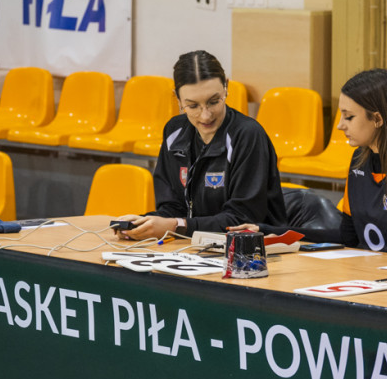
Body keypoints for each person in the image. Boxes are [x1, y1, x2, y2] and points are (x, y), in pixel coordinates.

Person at [232, 68, 387, 258]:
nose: (339, 126)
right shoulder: (359, 160)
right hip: (370, 276)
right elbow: (347, 237)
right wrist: (272, 230)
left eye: (349, 117)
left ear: (377, 119)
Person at [115, 50, 286, 240]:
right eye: (193, 106)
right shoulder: (174, 131)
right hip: (195, 247)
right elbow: (172, 209)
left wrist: (177, 226)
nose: (205, 116)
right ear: (178, 99)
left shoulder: (248, 134)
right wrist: (143, 224)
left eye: (214, 102)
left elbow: (241, 220)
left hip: (254, 253)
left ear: (226, 88)